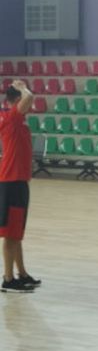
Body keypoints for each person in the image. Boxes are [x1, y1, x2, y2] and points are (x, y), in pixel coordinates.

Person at [1, 81, 41, 293]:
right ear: (17, 100)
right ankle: (8, 279)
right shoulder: (11, 117)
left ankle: (22, 273)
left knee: (16, 233)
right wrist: (24, 86)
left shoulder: (18, 120)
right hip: (12, 182)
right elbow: (30, 98)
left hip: (19, 181)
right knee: (10, 234)